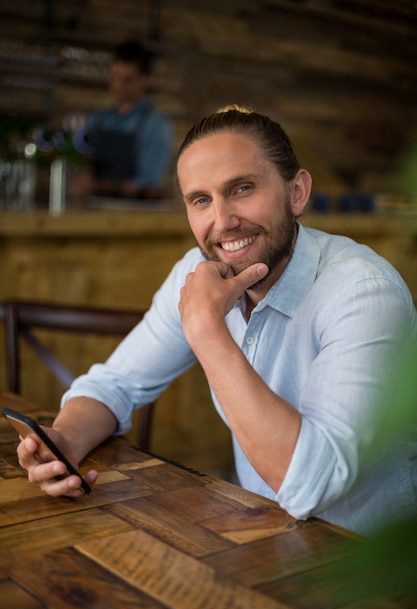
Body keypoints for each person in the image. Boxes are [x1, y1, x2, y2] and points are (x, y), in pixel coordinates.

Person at [18, 105, 417, 536]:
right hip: (266, 537)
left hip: (370, 566)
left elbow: (311, 486)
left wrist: (207, 330)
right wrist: (65, 442)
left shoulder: (363, 290)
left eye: (243, 188)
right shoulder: (196, 272)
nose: (222, 222)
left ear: (297, 192)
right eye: (201, 200)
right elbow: (114, 384)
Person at [70, 40, 173, 199]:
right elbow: (80, 161)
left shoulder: (157, 125)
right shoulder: (98, 119)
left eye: (128, 80)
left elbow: (147, 184)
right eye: (116, 77)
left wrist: (95, 185)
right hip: (92, 209)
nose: (119, 85)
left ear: (146, 79)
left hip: (133, 215)